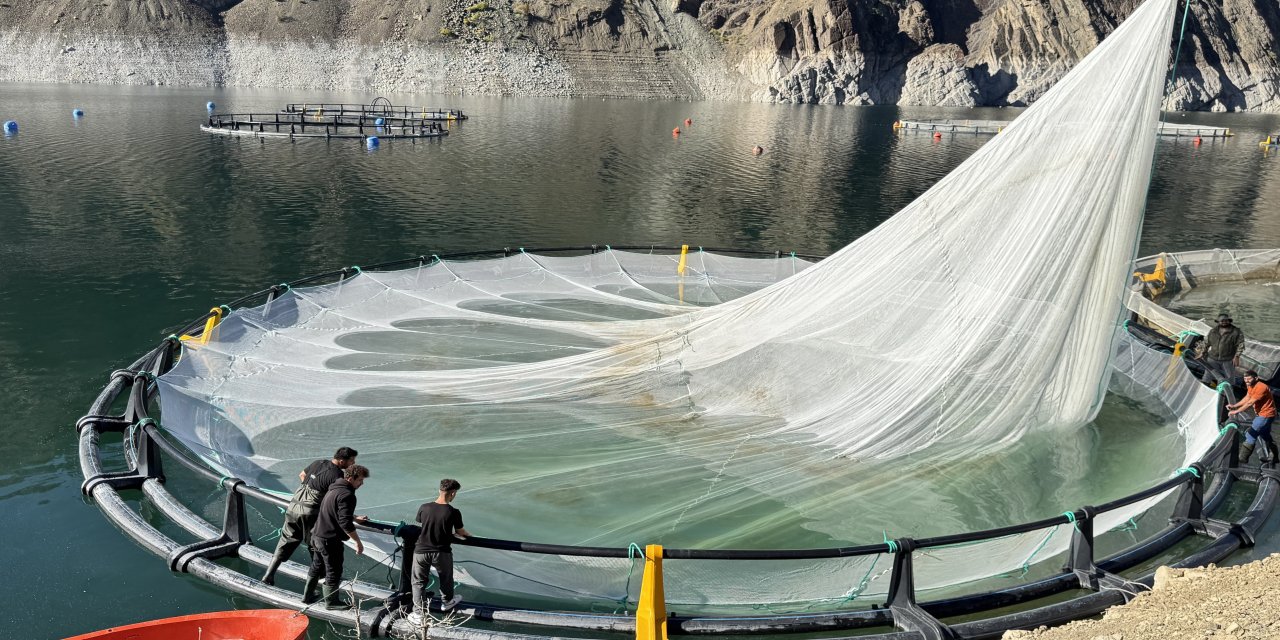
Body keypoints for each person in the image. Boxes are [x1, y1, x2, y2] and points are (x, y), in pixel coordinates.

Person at [261, 447, 359, 586]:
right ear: (342, 461)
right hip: (310, 512)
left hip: (294, 506)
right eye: (351, 461)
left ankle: (268, 575)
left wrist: (311, 489)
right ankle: (320, 578)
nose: (353, 464)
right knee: (316, 544)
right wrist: (354, 517)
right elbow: (336, 501)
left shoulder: (318, 462)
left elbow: (302, 475)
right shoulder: (337, 475)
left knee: (285, 541)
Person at [307, 464, 370, 609]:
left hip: (316, 534)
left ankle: (307, 596)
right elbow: (345, 523)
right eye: (360, 480)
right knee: (333, 570)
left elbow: (336, 510)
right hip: (329, 539)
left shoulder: (334, 487)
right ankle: (331, 603)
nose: (362, 483)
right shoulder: (347, 494)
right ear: (350, 478)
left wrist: (354, 517)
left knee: (316, 566)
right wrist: (358, 542)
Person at [409, 479, 471, 623]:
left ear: (440, 490)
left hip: (421, 550)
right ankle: (447, 602)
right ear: (453, 493)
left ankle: (418, 613)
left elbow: (424, 524)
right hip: (441, 551)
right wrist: (470, 537)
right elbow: (461, 531)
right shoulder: (453, 512)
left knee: (418, 582)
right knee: (446, 578)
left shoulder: (424, 507)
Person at [1228, 370, 1276, 464]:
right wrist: (1234, 406)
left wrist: (1236, 411)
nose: (1246, 381)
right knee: (1265, 435)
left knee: (1250, 435)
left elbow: (1250, 403)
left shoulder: (1261, 387)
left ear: (1256, 378)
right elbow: (1247, 397)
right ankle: (1275, 457)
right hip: (1265, 415)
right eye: (1245, 379)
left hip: (1265, 415)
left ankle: (1242, 460)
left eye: (1249, 379)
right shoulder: (1250, 385)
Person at [1200, 313, 1244, 384]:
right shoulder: (1213, 331)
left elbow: (1240, 345)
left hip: (1228, 360)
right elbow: (1206, 342)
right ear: (1218, 322)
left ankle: (1224, 393)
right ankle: (1205, 386)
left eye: (1226, 321)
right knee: (1208, 375)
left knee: (1229, 377)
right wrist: (1202, 352)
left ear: (1229, 321)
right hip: (1212, 358)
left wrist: (1237, 356)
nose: (1224, 322)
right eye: (1222, 321)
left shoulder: (1236, 332)